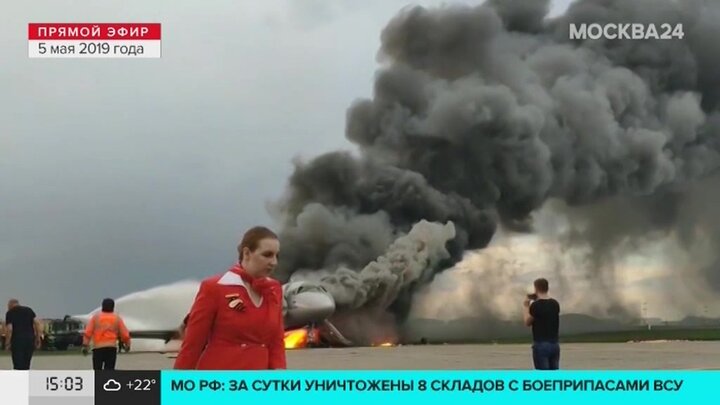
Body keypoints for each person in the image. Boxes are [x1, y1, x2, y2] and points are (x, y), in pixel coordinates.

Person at [174, 226, 286, 370]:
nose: (274, 262)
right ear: (246, 253)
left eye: (277, 256)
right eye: (267, 255)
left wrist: (279, 374)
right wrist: (179, 379)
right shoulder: (215, 287)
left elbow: (276, 340)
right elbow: (193, 343)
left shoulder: (274, 289)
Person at [82, 298, 131, 370]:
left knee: (97, 371)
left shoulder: (96, 318)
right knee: (109, 371)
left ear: (102, 306)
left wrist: (85, 345)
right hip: (111, 348)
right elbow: (125, 334)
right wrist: (127, 344)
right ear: (113, 307)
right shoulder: (117, 318)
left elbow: (88, 332)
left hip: (98, 348)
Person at [523, 278, 560, 370]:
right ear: (547, 288)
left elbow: (527, 322)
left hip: (541, 344)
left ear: (536, 289)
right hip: (554, 344)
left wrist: (526, 307)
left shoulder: (535, 305)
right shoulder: (555, 304)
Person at [4, 299, 42, 370]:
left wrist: (7, 343)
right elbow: (37, 324)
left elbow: (10, 329)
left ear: (10, 305)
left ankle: (19, 376)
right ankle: (26, 375)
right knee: (26, 364)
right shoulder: (29, 310)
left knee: (18, 364)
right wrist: (38, 338)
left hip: (17, 340)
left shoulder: (10, 313)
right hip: (29, 339)